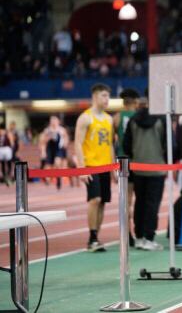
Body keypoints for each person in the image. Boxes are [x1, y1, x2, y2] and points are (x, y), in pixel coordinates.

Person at [74, 83, 116, 252]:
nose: (107, 99)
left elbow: (110, 145)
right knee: (95, 200)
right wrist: (82, 167)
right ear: (95, 96)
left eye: (108, 96)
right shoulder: (85, 118)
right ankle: (91, 237)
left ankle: (96, 237)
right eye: (104, 96)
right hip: (91, 165)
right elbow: (78, 142)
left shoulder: (109, 119)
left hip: (106, 165)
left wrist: (113, 167)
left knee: (103, 202)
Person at [123, 90, 166, 251]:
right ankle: (149, 237)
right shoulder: (162, 118)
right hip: (157, 168)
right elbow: (168, 144)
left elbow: (126, 144)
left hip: (138, 168)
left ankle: (139, 236)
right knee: (152, 204)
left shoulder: (133, 119)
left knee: (139, 202)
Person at [113, 87, 140, 246]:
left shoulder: (116, 118)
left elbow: (112, 143)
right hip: (139, 161)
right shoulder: (139, 116)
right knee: (140, 198)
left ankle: (127, 233)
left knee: (126, 200)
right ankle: (139, 231)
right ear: (136, 102)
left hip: (123, 162)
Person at [39, 115, 70, 189]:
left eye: (55, 121)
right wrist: (43, 151)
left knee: (57, 162)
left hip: (58, 148)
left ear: (58, 122)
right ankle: (47, 179)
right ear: (50, 122)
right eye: (52, 121)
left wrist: (65, 144)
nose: (53, 122)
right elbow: (42, 141)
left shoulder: (61, 130)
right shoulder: (47, 130)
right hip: (50, 149)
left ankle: (58, 178)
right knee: (48, 166)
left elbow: (66, 138)